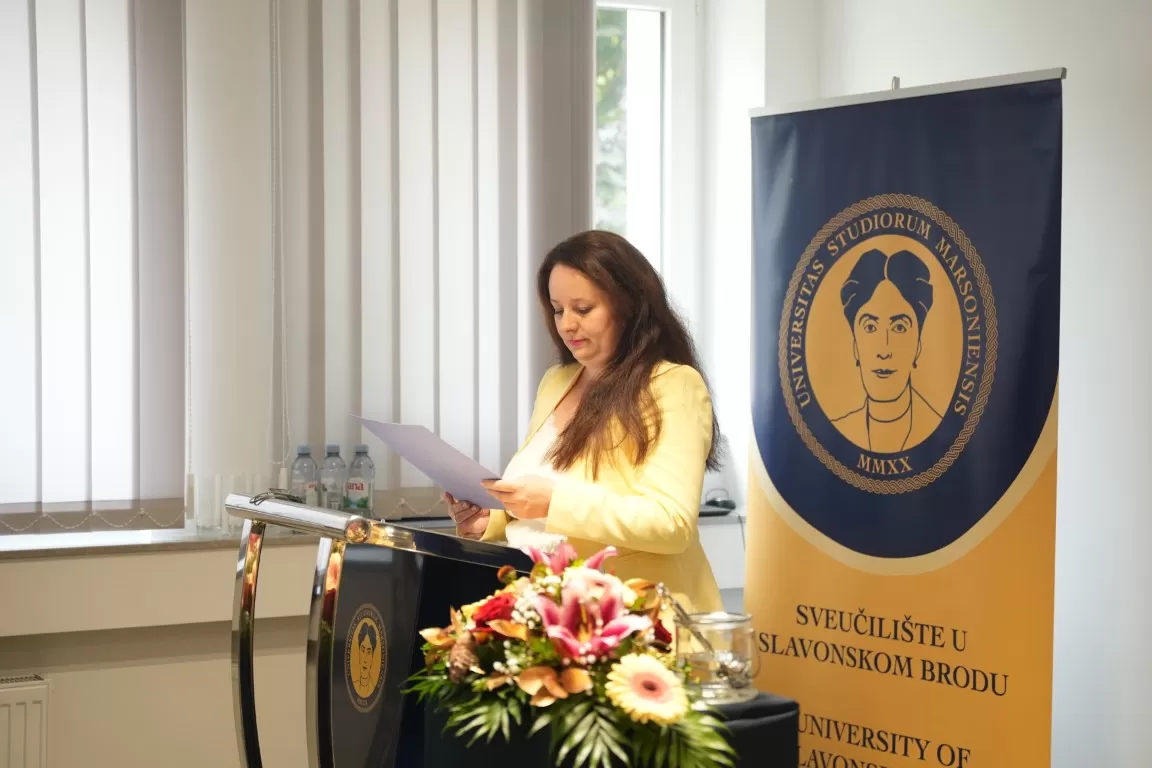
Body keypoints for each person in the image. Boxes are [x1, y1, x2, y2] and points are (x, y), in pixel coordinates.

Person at [445, 230, 724, 613]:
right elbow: (543, 497)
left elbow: (670, 523)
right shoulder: (556, 381)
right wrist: (489, 520)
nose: (567, 325)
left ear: (628, 306)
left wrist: (553, 501)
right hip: (548, 608)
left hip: (637, 617)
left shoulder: (671, 384)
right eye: (558, 310)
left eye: (583, 309)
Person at [832, 248, 943, 453]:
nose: (884, 351)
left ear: (918, 346)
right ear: (855, 346)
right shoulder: (832, 439)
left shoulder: (945, 436)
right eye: (870, 327)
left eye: (899, 328)